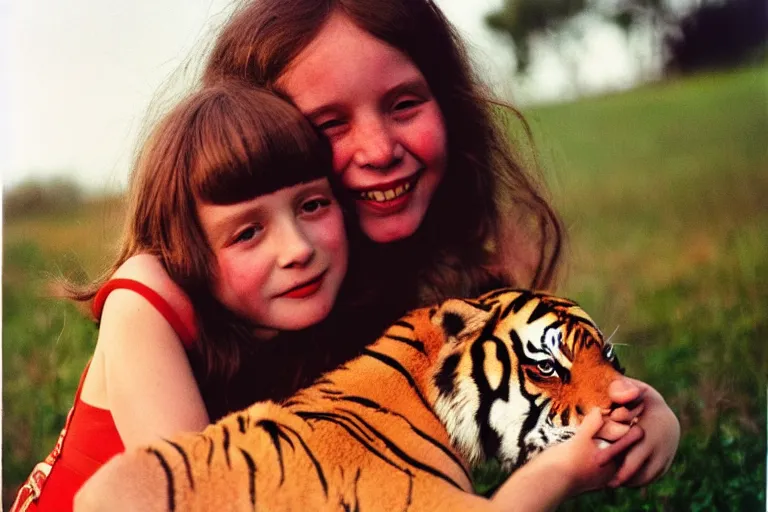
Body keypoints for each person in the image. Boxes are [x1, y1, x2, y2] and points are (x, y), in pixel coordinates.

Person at [200, 0, 680, 490]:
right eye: (329, 125)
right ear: (251, 142)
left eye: (404, 105)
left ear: (450, 107)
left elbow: (558, 383)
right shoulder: (183, 302)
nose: (380, 150)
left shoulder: (457, 293)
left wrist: (651, 413)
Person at [10, 82, 351, 512]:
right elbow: (198, 501)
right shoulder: (143, 294)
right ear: (186, 252)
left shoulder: (301, 322)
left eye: (313, 205)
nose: (298, 248)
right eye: (247, 233)